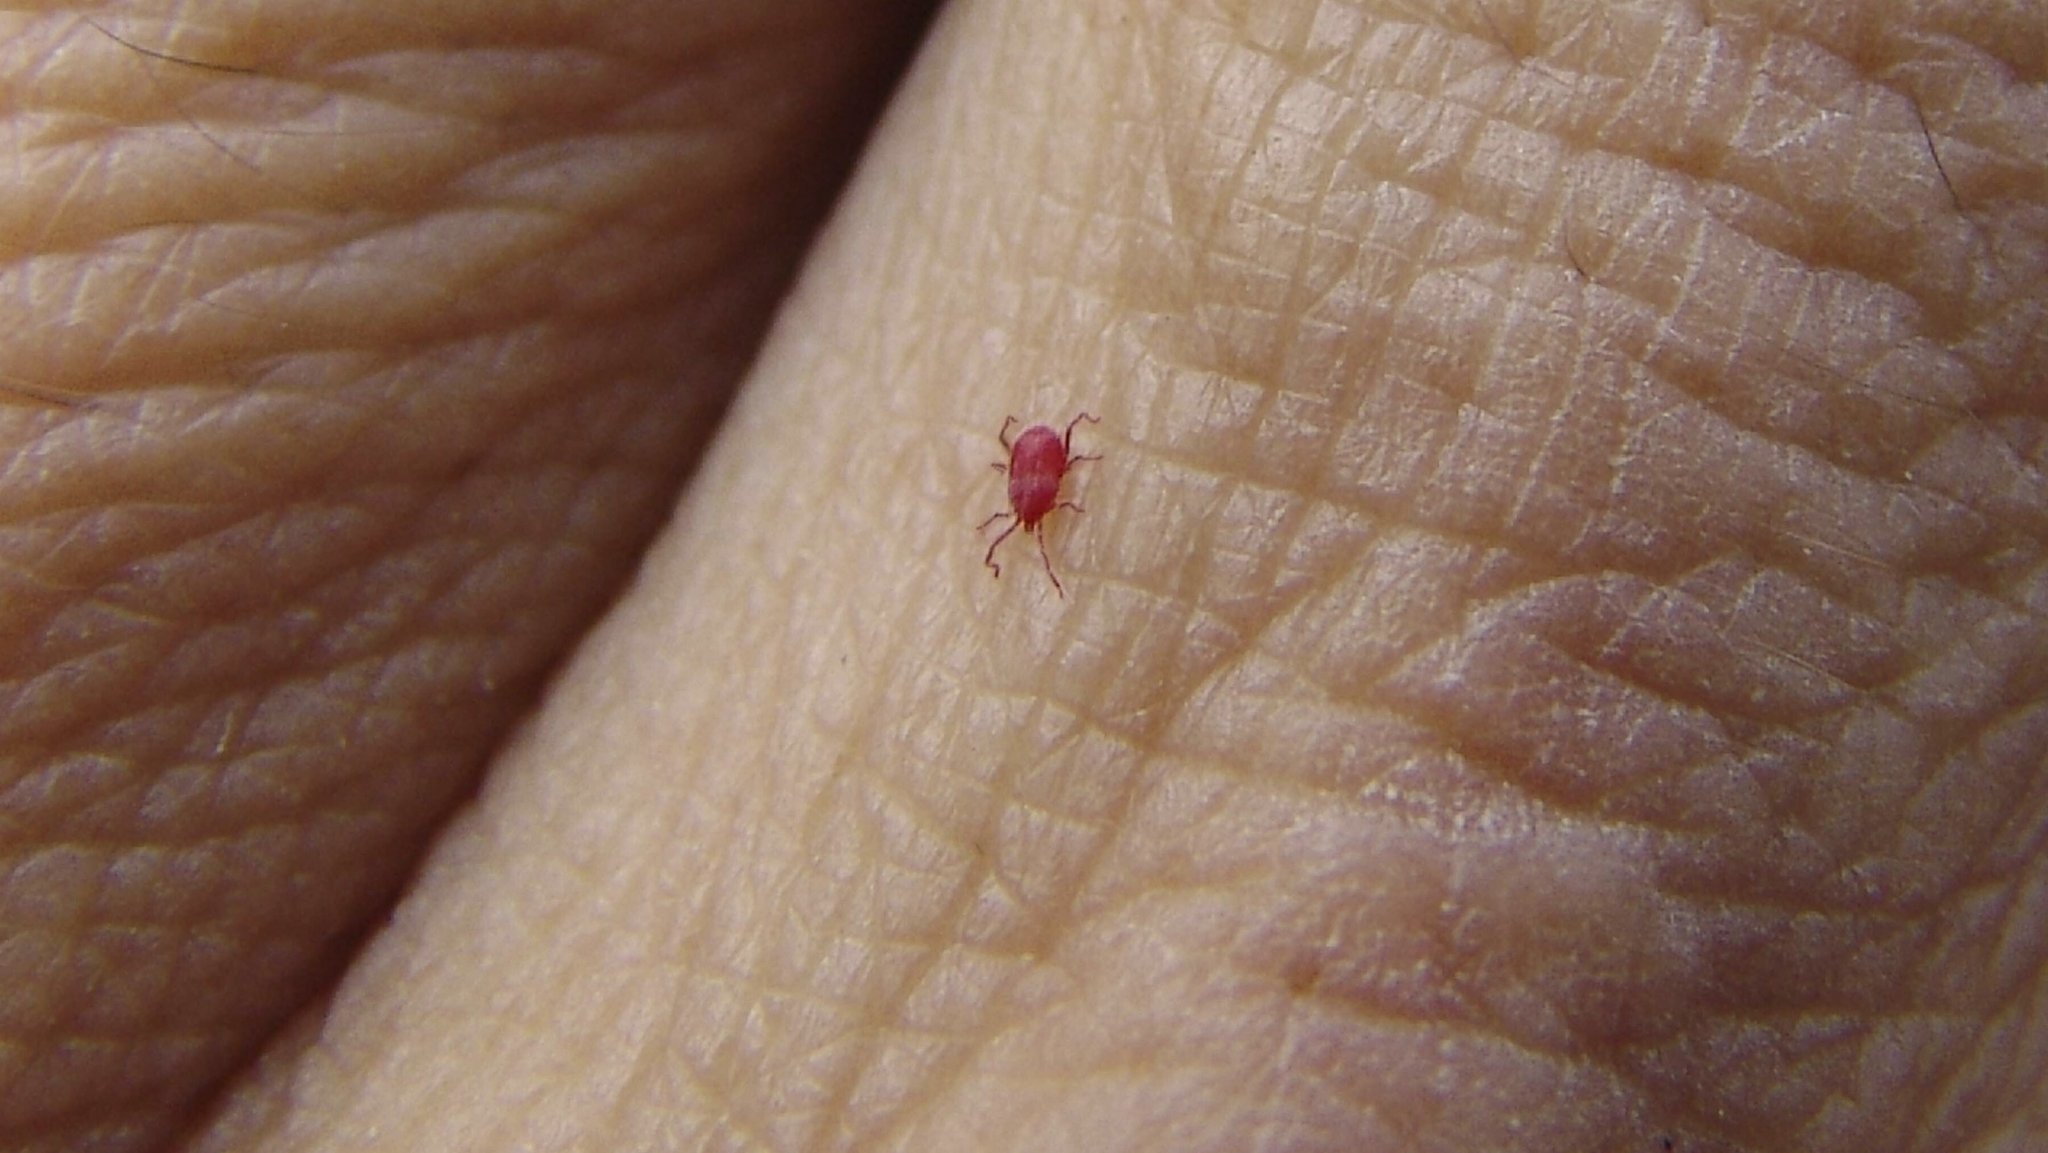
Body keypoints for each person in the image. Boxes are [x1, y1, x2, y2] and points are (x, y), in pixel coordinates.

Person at [2, 1, 2041, 1149]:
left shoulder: (1035, 477)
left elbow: (1037, 457)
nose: (1041, 486)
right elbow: (1047, 454)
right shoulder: (1046, 472)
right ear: (1040, 477)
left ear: (1036, 475)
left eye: (1039, 480)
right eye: (1040, 484)